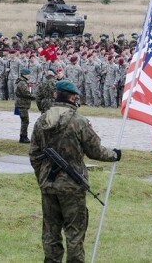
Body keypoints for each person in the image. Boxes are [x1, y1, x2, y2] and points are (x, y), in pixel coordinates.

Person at [29, 80, 121, 263]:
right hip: (72, 186)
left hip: (48, 185)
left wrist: (42, 177)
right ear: (73, 98)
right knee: (75, 232)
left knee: (50, 231)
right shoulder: (79, 122)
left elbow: (34, 154)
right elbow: (95, 151)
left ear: (55, 95)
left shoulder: (41, 120)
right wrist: (115, 155)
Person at [15, 68, 36, 143]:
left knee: (24, 121)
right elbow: (26, 93)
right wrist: (34, 97)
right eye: (28, 74)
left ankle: (23, 136)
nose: (29, 75)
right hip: (22, 104)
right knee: (25, 121)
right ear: (24, 75)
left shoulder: (22, 82)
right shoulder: (22, 83)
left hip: (22, 104)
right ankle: (23, 137)